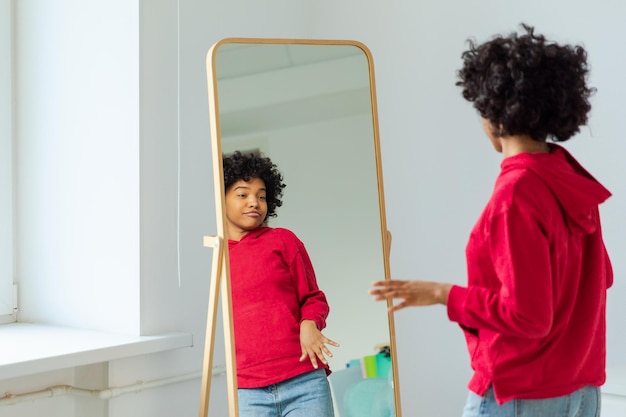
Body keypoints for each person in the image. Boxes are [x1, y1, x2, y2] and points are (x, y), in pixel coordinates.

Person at [369, 24, 613, 417]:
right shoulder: (570, 178)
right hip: (581, 393)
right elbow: (601, 277)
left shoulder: (516, 194)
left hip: (519, 393)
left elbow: (528, 317)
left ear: (491, 112)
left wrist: (443, 294)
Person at [223, 150, 339, 417]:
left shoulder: (283, 240)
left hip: (304, 382)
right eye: (242, 194)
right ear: (221, 199)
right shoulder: (214, 256)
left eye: (261, 196)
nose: (254, 202)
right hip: (245, 391)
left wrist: (309, 323)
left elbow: (313, 298)